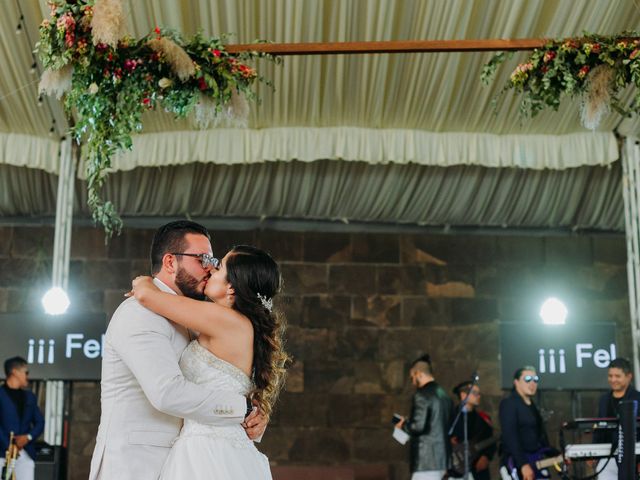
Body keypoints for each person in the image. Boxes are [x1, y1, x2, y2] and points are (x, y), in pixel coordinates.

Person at [88, 221, 268, 480]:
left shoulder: (193, 318)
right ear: (170, 262)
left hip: (193, 461)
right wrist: (243, 410)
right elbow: (167, 392)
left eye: (212, 259)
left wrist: (254, 418)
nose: (209, 267)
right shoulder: (140, 313)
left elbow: (223, 380)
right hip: (137, 466)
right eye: (202, 258)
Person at [130, 244, 288, 479]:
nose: (210, 269)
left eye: (220, 267)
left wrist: (141, 280)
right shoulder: (235, 324)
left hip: (208, 452)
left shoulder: (226, 320)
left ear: (231, 288)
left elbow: (146, 296)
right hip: (219, 449)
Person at [395, 354, 453, 480]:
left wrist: (403, 425)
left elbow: (418, 426)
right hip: (442, 460)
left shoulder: (421, 395)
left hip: (426, 461)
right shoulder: (444, 396)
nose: (412, 382)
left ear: (419, 373)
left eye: (412, 377)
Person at [499, 366, 554, 480]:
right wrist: (523, 464)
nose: (532, 383)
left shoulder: (533, 407)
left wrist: (558, 454)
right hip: (518, 464)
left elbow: (541, 438)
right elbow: (510, 436)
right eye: (528, 379)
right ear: (516, 382)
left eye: (535, 379)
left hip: (536, 461)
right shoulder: (509, 404)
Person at [592, 357, 640, 479]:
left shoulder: (637, 398)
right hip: (607, 456)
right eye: (610, 376)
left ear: (629, 376)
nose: (613, 380)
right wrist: (593, 451)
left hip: (633, 457)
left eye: (617, 376)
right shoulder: (604, 399)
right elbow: (599, 427)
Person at [0, 356, 44, 480]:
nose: (27, 376)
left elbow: (40, 422)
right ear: (14, 372)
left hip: (24, 453)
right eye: (26, 372)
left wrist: (27, 437)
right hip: (2, 453)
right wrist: (9, 445)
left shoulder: (29, 396)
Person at [449, 381, 495, 480]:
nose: (478, 396)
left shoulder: (483, 419)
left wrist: (486, 456)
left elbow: (491, 441)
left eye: (479, 393)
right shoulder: (451, 417)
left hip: (477, 470)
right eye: (475, 393)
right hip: (455, 470)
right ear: (463, 395)